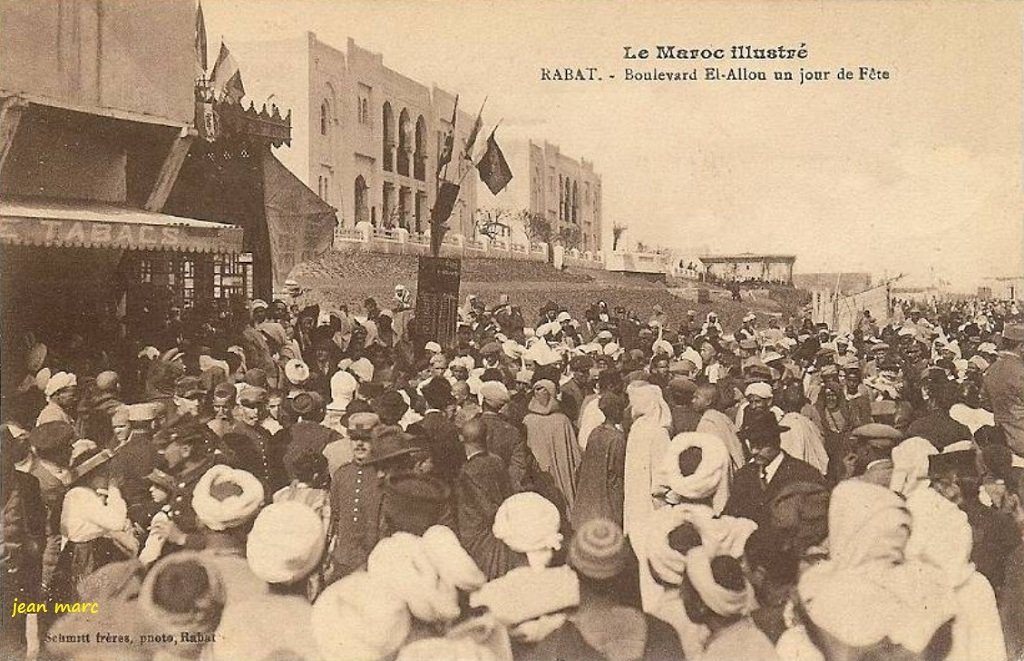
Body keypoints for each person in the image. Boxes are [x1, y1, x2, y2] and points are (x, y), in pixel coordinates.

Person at [725, 409, 823, 525]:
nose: (754, 451)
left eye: (760, 445)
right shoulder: (744, 475)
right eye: (752, 444)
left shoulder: (803, 473)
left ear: (776, 441)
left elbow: (816, 525)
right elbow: (729, 516)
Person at [456, 417, 516, 579]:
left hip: (478, 536)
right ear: (486, 437)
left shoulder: (467, 471)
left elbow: (484, 507)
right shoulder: (497, 461)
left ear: (462, 439)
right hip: (502, 531)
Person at [522, 379, 581, 510]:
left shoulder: (528, 421)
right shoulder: (562, 420)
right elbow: (575, 456)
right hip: (561, 471)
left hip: (539, 472)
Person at [572, 393, 627, 530]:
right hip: (610, 489)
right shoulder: (617, 438)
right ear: (615, 411)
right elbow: (618, 469)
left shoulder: (595, 432)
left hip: (592, 487)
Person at [478, 380, 532, 492]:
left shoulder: (471, 426)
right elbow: (518, 466)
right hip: (503, 487)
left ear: (483, 402)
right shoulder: (512, 431)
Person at [983, 322, 1024, 459]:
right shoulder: (1020, 371)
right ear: (1021, 346)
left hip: (1004, 440)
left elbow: (986, 402)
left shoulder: (991, 370)